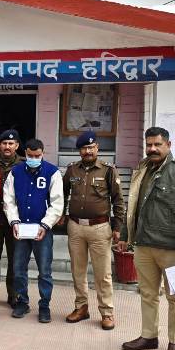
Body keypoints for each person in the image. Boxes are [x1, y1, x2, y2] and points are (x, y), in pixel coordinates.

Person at [118, 127, 175, 350]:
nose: (152, 149)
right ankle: (149, 336)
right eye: (149, 145)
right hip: (144, 246)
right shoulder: (143, 169)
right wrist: (126, 235)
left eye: (157, 144)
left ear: (168, 145)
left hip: (173, 248)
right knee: (147, 294)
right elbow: (133, 206)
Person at [59, 131, 125, 330]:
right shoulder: (72, 170)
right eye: (84, 148)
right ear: (79, 150)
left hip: (100, 228)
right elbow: (62, 193)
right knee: (77, 271)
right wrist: (61, 214)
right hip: (76, 227)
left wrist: (118, 227)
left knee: (102, 274)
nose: (87, 151)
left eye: (91, 147)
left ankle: (107, 312)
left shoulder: (108, 170)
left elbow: (118, 201)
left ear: (97, 148)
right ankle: (81, 307)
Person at [3, 138, 63, 323]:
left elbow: (57, 203)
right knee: (18, 268)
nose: (34, 159)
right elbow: (9, 199)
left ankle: (44, 306)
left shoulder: (52, 172)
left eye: (38, 156)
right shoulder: (16, 172)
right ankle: (22, 302)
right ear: (25, 153)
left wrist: (45, 225)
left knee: (44, 270)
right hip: (21, 229)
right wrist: (14, 222)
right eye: (30, 155)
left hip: (42, 230)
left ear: (43, 153)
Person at [0, 129, 25, 308]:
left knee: (15, 259)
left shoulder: (24, 164)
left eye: (11, 143)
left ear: (17, 145)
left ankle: (13, 295)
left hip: (15, 220)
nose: (7, 146)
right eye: (4, 143)